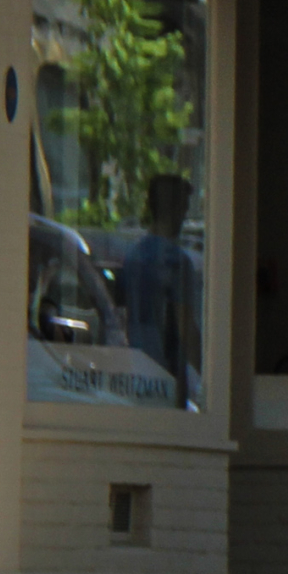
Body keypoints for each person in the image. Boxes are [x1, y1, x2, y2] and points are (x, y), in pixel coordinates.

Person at [117, 173, 203, 407]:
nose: (184, 218)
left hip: (138, 378)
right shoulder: (176, 262)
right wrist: (210, 380)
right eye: (184, 210)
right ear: (173, 209)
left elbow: (124, 317)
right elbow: (186, 326)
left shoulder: (133, 257)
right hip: (167, 380)